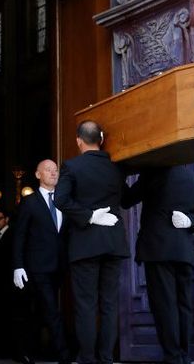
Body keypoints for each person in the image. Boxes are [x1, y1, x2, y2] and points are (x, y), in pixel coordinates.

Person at [54, 120, 130, 364]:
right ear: (101, 139)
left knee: (86, 305)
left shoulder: (72, 166)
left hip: (85, 244)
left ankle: (87, 359)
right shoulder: (116, 166)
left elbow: (60, 200)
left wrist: (88, 216)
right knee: (109, 304)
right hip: (113, 242)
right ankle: (106, 358)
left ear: (78, 140)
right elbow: (126, 199)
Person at [121, 166, 194, 364]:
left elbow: (127, 200)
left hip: (158, 250)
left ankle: (173, 356)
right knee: (184, 305)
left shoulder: (152, 172)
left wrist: (119, 174)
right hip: (183, 251)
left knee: (165, 305)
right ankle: (184, 355)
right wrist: (191, 221)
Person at [12, 159, 70, 364]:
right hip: (38, 268)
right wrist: (18, 265)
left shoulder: (64, 199)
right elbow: (20, 236)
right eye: (48, 170)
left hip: (60, 267)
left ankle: (25, 351)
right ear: (38, 175)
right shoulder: (29, 202)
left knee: (40, 311)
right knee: (51, 310)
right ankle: (64, 356)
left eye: (56, 170)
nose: (54, 173)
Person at [0, 208, 34, 364]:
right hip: (2, 286)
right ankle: (6, 351)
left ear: (6, 219)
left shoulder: (11, 235)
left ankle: (17, 352)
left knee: (15, 319)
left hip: (10, 286)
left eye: (0, 218)